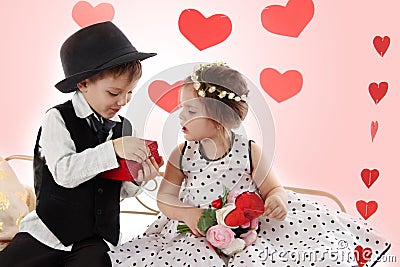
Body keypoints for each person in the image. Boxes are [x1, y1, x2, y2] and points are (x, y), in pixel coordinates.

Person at [108, 63, 390, 266]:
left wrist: (277, 199)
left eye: (191, 110)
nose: (180, 116)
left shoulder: (249, 151)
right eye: (181, 108)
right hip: (196, 230)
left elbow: (273, 188)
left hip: (250, 230)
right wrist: (189, 214)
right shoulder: (181, 155)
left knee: (272, 255)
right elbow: (166, 197)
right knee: (188, 258)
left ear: (221, 116)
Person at [0, 21, 163, 267]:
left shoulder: (123, 127)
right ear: (83, 84)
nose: (123, 100)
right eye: (114, 92)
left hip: (96, 238)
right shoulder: (57, 118)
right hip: (47, 232)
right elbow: (65, 173)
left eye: (129, 92)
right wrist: (114, 149)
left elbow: (116, 193)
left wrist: (138, 179)